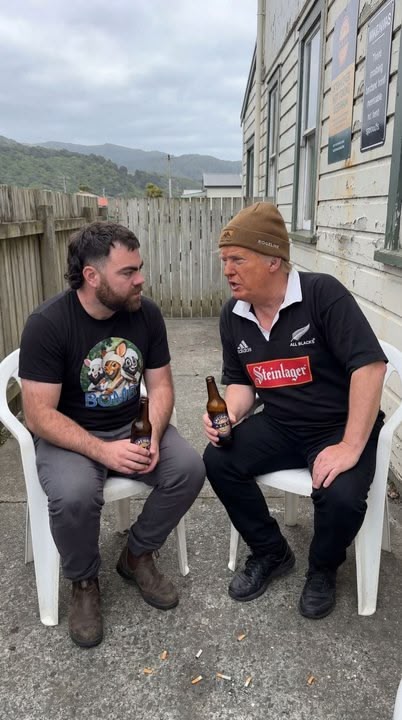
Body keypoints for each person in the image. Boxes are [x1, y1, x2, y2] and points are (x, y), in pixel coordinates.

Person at [19, 221, 205, 648]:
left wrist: (153, 434)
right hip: (71, 434)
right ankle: (84, 582)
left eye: (140, 268)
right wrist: (104, 451)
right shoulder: (48, 324)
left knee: (189, 468)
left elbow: (161, 387)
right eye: (128, 272)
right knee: (74, 495)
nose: (141, 279)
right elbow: (39, 415)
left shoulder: (146, 314)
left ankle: (137, 554)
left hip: (132, 425)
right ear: (92, 275)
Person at [203, 202, 387, 619]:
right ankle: (271, 551)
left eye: (237, 259)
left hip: (340, 423)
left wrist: (350, 446)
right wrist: (230, 414)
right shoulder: (234, 314)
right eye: (224, 260)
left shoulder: (322, 295)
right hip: (282, 423)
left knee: (340, 497)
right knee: (218, 459)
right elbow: (242, 381)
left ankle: (323, 569)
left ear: (273, 260)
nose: (227, 270)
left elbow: (370, 367)